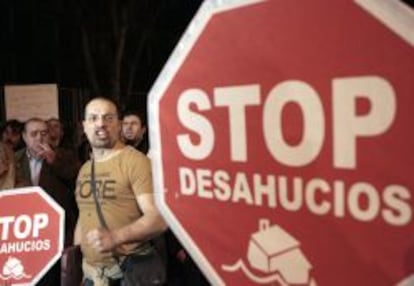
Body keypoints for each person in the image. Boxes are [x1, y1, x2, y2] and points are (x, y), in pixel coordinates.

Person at [74, 97, 167, 286]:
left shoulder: (136, 162)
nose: (100, 123)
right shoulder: (85, 169)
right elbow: (83, 216)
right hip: (92, 275)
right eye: (93, 118)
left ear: (118, 125)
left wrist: (115, 237)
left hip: (128, 274)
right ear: (84, 126)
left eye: (108, 118)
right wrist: (78, 257)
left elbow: (159, 219)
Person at [14, 117, 80, 286]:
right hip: (25, 231)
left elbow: (76, 179)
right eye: (33, 134)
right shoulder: (15, 160)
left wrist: (54, 160)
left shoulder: (64, 155)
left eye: (43, 133)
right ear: (24, 137)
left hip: (56, 229)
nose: (39, 138)